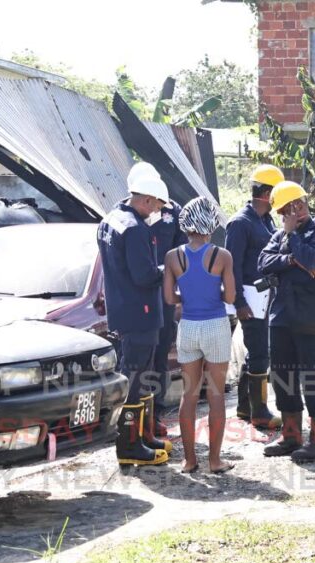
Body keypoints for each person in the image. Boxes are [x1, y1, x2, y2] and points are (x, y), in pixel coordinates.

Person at [97, 163, 173, 467]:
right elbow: (144, 275)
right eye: (156, 205)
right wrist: (170, 268)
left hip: (124, 310)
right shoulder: (135, 229)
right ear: (145, 200)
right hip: (140, 312)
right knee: (136, 380)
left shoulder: (110, 219)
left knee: (140, 377)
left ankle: (141, 436)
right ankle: (130, 444)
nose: (157, 211)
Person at [257, 181, 315, 463]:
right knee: (283, 378)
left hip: (313, 316)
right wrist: (293, 259)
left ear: (306, 202)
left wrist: (293, 241)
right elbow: (263, 263)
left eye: (299, 205)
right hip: (282, 317)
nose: (296, 212)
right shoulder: (280, 235)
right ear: (280, 212)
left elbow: (314, 257)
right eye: (289, 209)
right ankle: (291, 437)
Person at [163, 197, 236, 474]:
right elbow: (230, 296)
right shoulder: (222, 256)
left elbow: (170, 298)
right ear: (211, 223)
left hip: (188, 327)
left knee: (189, 395)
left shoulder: (172, 257)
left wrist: (190, 295)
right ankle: (215, 461)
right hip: (216, 325)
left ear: (186, 224)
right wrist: (212, 293)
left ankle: (189, 460)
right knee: (216, 394)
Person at [225, 164, 285, 429]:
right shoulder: (240, 223)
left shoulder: (266, 220)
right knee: (259, 352)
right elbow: (232, 266)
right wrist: (238, 302)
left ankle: (244, 406)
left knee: (257, 351)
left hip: (264, 297)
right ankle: (259, 412)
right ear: (267, 192)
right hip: (250, 299)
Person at [150, 198, 187, 430]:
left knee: (160, 358)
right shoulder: (128, 215)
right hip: (139, 296)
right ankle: (137, 420)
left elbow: (183, 254)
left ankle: (155, 416)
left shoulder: (173, 211)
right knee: (140, 362)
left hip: (165, 297)